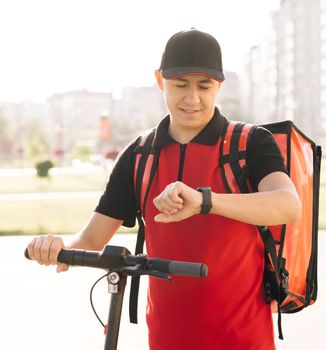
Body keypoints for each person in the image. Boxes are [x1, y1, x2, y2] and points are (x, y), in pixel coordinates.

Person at [26, 28, 301, 350]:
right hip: (167, 334)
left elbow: (287, 205)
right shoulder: (140, 154)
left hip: (242, 334)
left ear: (219, 87)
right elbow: (91, 239)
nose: (192, 98)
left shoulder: (250, 142)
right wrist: (57, 247)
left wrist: (204, 201)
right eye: (180, 85)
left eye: (204, 86)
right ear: (160, 81)